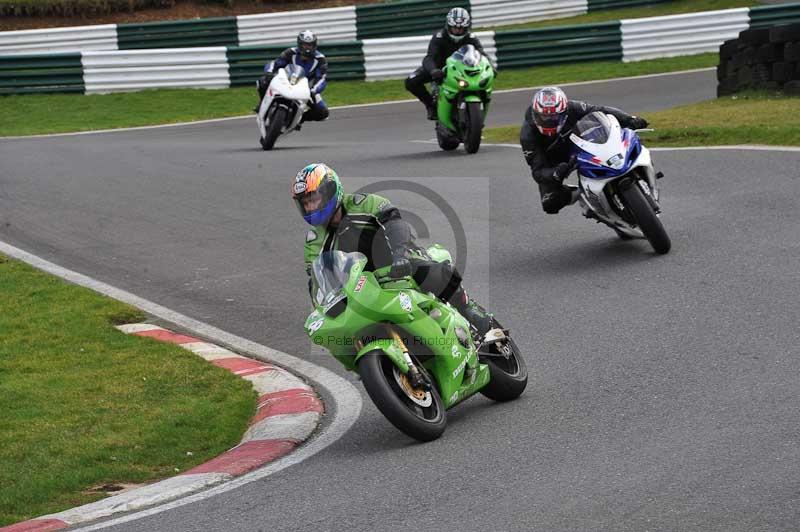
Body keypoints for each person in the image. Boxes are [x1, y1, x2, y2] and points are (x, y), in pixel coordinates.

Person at [292, 162, 493, 338]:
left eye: (314, 199)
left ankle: (469, 308)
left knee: (429, 271)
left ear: (330, 191)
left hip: (396, 262)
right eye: (306, 203)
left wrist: (400, 255)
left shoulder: (364, 204)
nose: (310, 208)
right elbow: (317, 281)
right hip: (361, 286)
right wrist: (324, 307)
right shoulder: (314, 241)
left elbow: (394, 223)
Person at [520, 86, 649, 215]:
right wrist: (556, 173)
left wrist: (629, 119)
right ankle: (581, 194)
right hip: (555, 160)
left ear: (563, 111)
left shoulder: (572, 107)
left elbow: (600, 110)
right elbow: (538, 171)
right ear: (535, 114)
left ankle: (637, 170)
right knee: (550, 204)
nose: (548, 121)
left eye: (553, 117)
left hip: (580, 143)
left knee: (623, 136)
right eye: (544, 117)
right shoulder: (528, 136)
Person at [405, 7, 489, 120]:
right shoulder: (439, 37)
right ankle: (430, 105)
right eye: (455, 28)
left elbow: (483, 54)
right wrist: (433, 70)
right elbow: (429, 58)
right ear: (448, 25)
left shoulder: (471, 38)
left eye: (461, 29)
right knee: (411, 81)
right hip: (440, 69)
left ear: (467, 27)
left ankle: (478, 110)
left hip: (462, 69)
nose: (458, 31)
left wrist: (491, 67)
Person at [254, 30, 329, 126]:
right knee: (263, 81)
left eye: (310, 45)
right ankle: (262, 104)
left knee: (323, 113)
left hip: (307, 88)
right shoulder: (290, 52)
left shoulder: (320, 59)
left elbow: (322, 78)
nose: (307, 48)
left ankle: (299, 119)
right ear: (300, 44)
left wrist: (313, 90)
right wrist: (269, 72)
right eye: (305, 45)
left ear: (314, 45)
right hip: (286, 81)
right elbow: (275, 63)